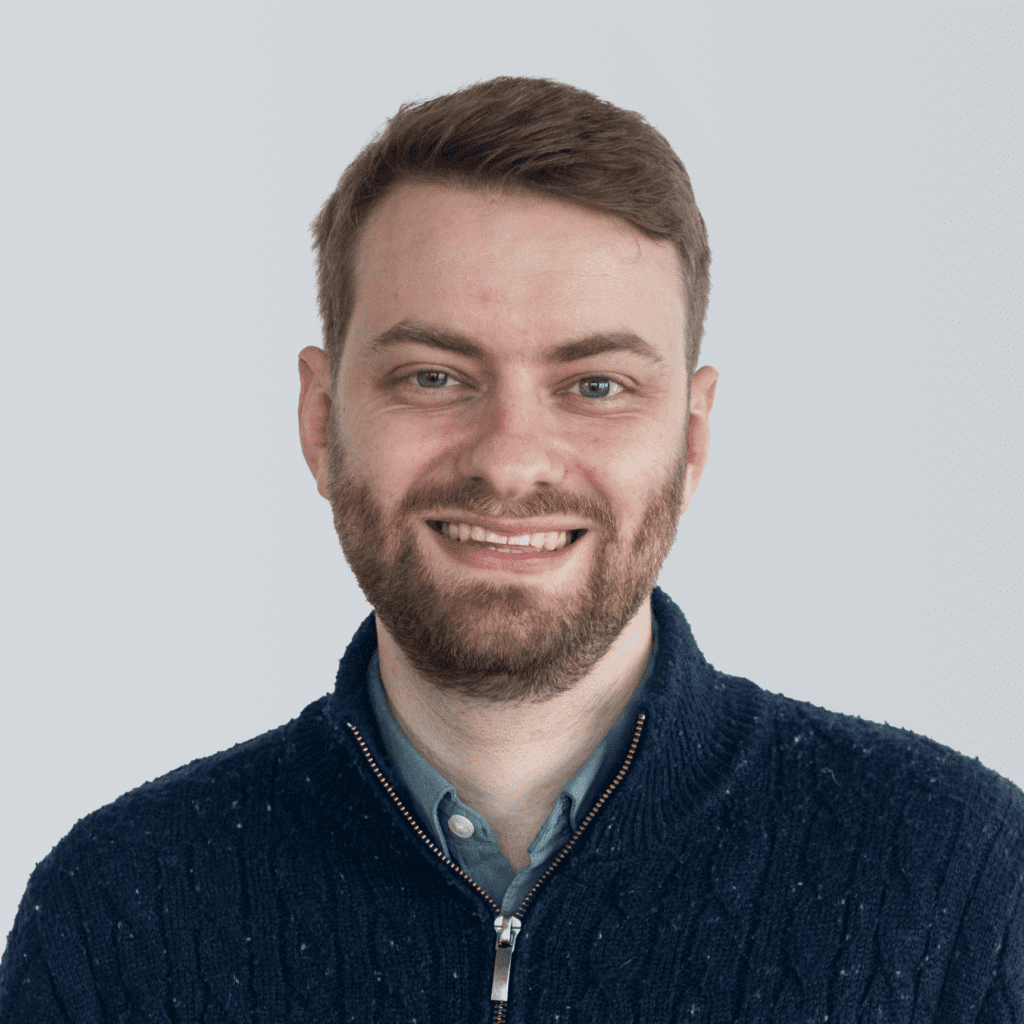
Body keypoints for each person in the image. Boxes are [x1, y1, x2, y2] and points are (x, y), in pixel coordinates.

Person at [1, 75, 1021, 1024]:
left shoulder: (962, 879)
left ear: (692, 436)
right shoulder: (115, 911)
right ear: (320, 419)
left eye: (596, 386)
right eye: (433, 377)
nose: (509, 460)